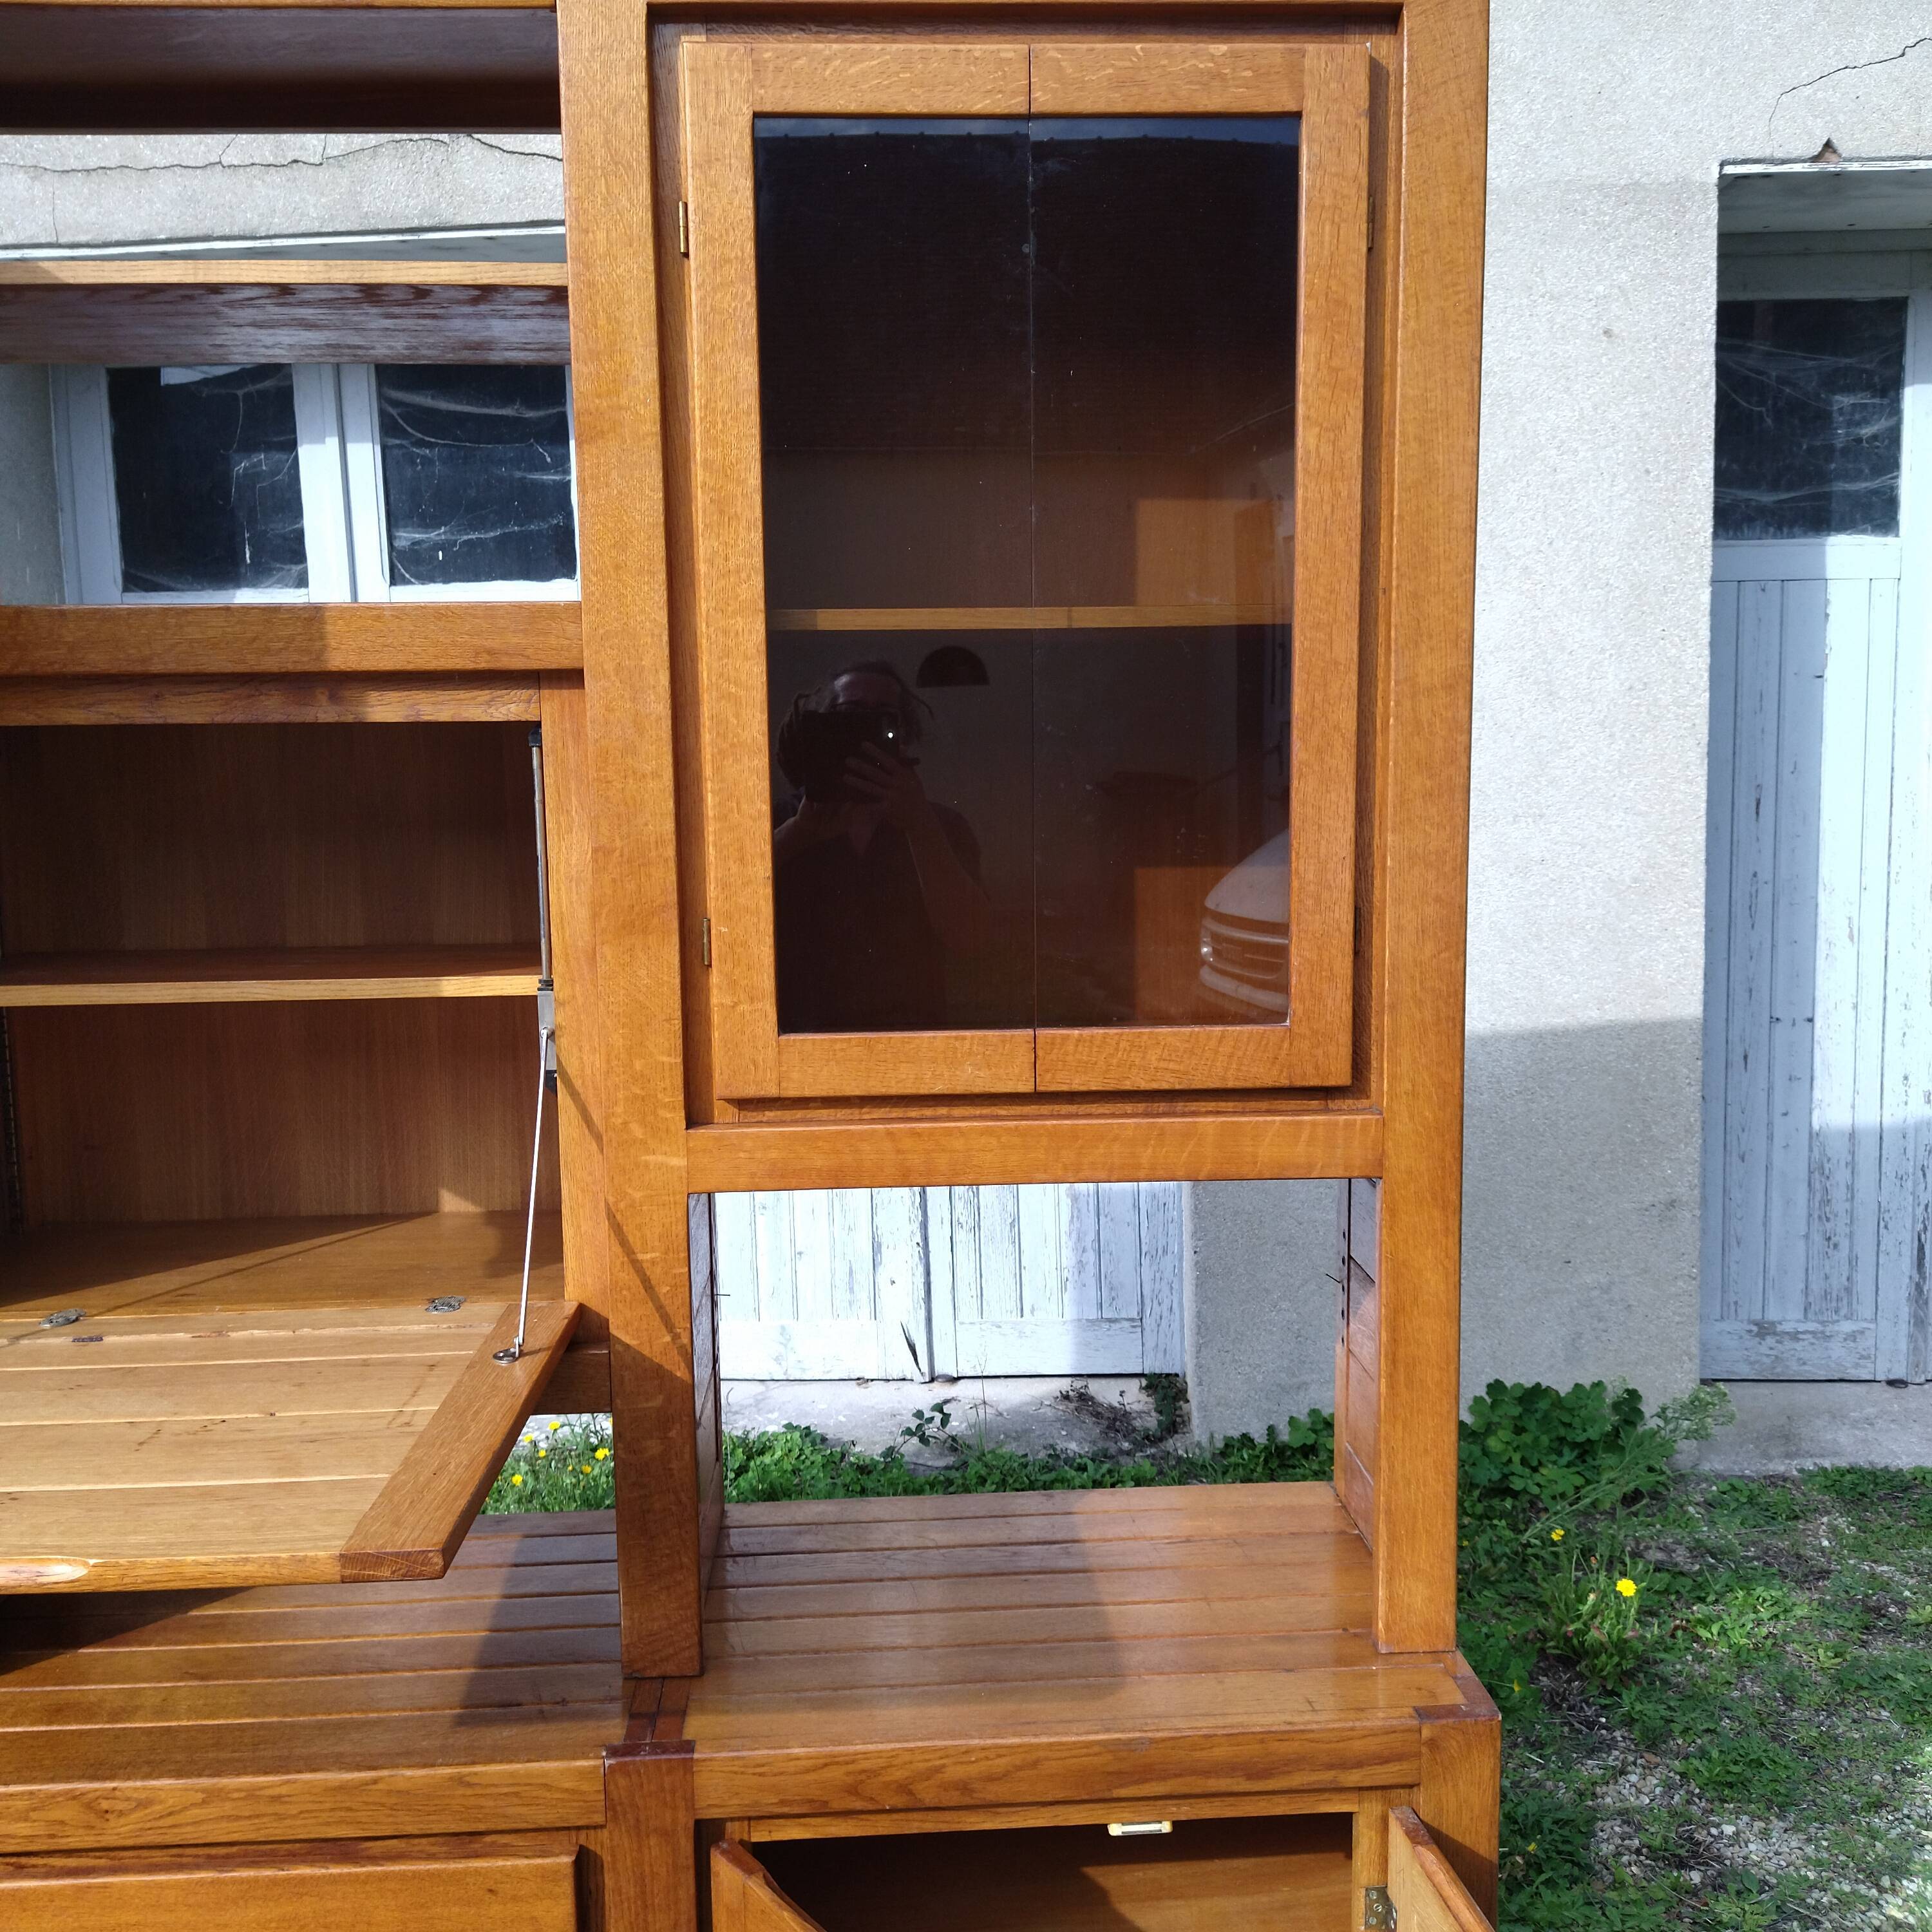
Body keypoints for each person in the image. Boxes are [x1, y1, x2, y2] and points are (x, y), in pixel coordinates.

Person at [772, 662, 992, 1032]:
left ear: (903, 735)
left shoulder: (942, 827)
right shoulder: (781, 819)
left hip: (912, 1040)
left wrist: (920, 826)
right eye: (850, 716)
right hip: (798, 1046)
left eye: (883, 720)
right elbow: (729, 918)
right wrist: (800, 832)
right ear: (823, 728)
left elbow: (970, 940)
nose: (867, 729)